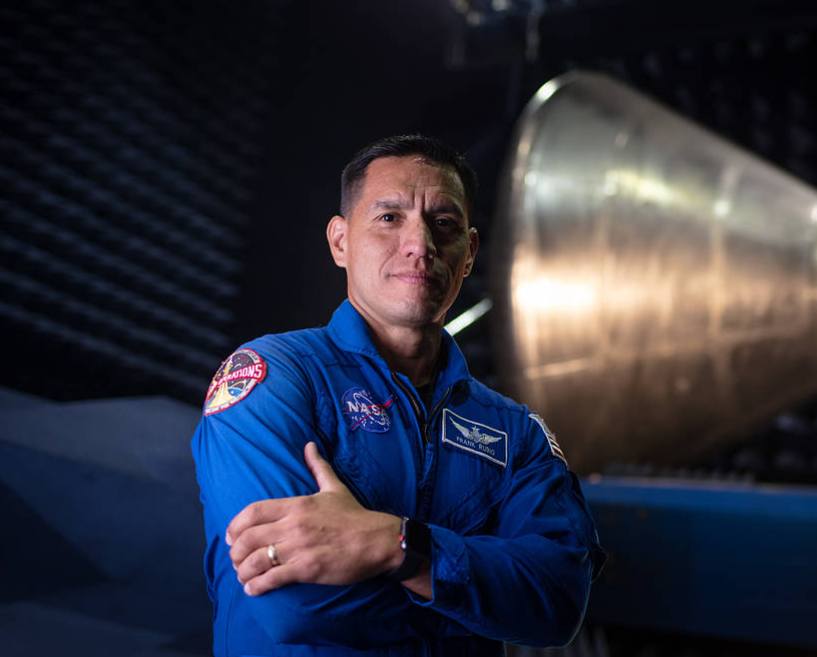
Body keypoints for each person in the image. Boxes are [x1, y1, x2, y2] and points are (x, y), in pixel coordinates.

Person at [191, 134, 606, 657]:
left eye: (444, 224)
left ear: (470, 253)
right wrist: (473, 599)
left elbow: (558, 603)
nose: (420, 245)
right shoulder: (273, 379)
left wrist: (397, 547)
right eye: (389, 218)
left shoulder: (515, 431)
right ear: (340, 241)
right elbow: (294, 603)